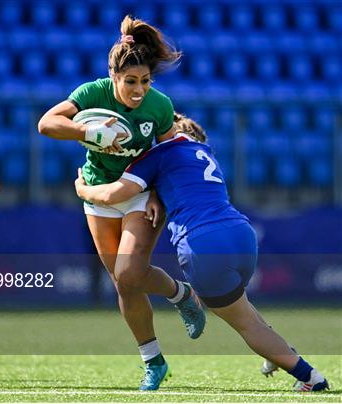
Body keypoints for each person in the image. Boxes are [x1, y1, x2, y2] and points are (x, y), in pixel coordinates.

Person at [74, 113, 330, 392]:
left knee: (245, 324)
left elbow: (114, 195)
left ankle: (309, 377)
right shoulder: (203, 151)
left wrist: (83, 190)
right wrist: (156, 196)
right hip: (241, 235)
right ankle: (277, 351)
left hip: (203, 244)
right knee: (242, 311)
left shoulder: (159, 153)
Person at [38, 15, 205, 391]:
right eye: (131, 81)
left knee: (130, 273)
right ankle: (154, 361)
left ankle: (183, 295)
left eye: (145, 81)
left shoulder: (159, 106)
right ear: (113, 77)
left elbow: (170, 153)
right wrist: (85, 130)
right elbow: (46, 124)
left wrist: (159, 195)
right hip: (98, 191)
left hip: (140, 193)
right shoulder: (91, 94)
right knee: (124, 284)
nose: (139, 89)